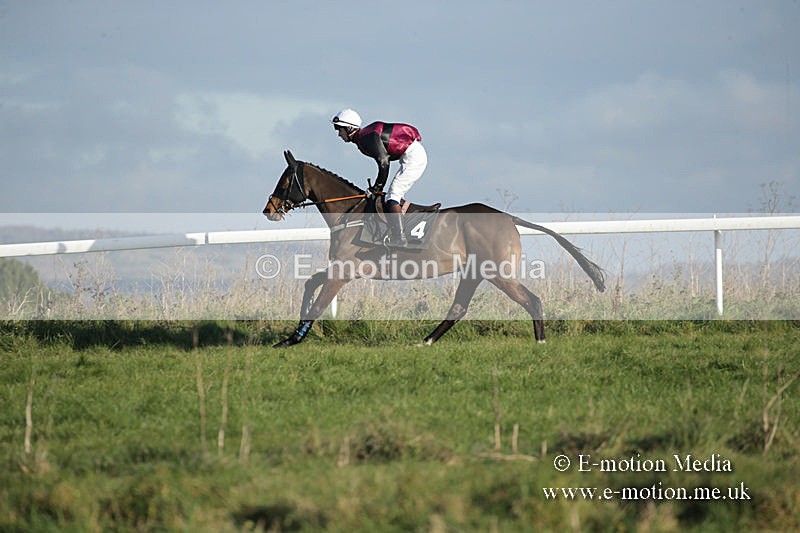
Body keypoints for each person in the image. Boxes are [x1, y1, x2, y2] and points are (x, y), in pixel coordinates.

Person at [331, 108, 428, 246]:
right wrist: (377, 187)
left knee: (392, 196)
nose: (338, 134)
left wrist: (377, 187)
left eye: (339, 129)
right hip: (409, 155)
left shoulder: (366, 138)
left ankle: (399, 238)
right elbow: (384, 162)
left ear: (349, 128)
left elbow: (384, 162)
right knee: (390, 195)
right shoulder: (363, 138)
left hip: (413, 157)